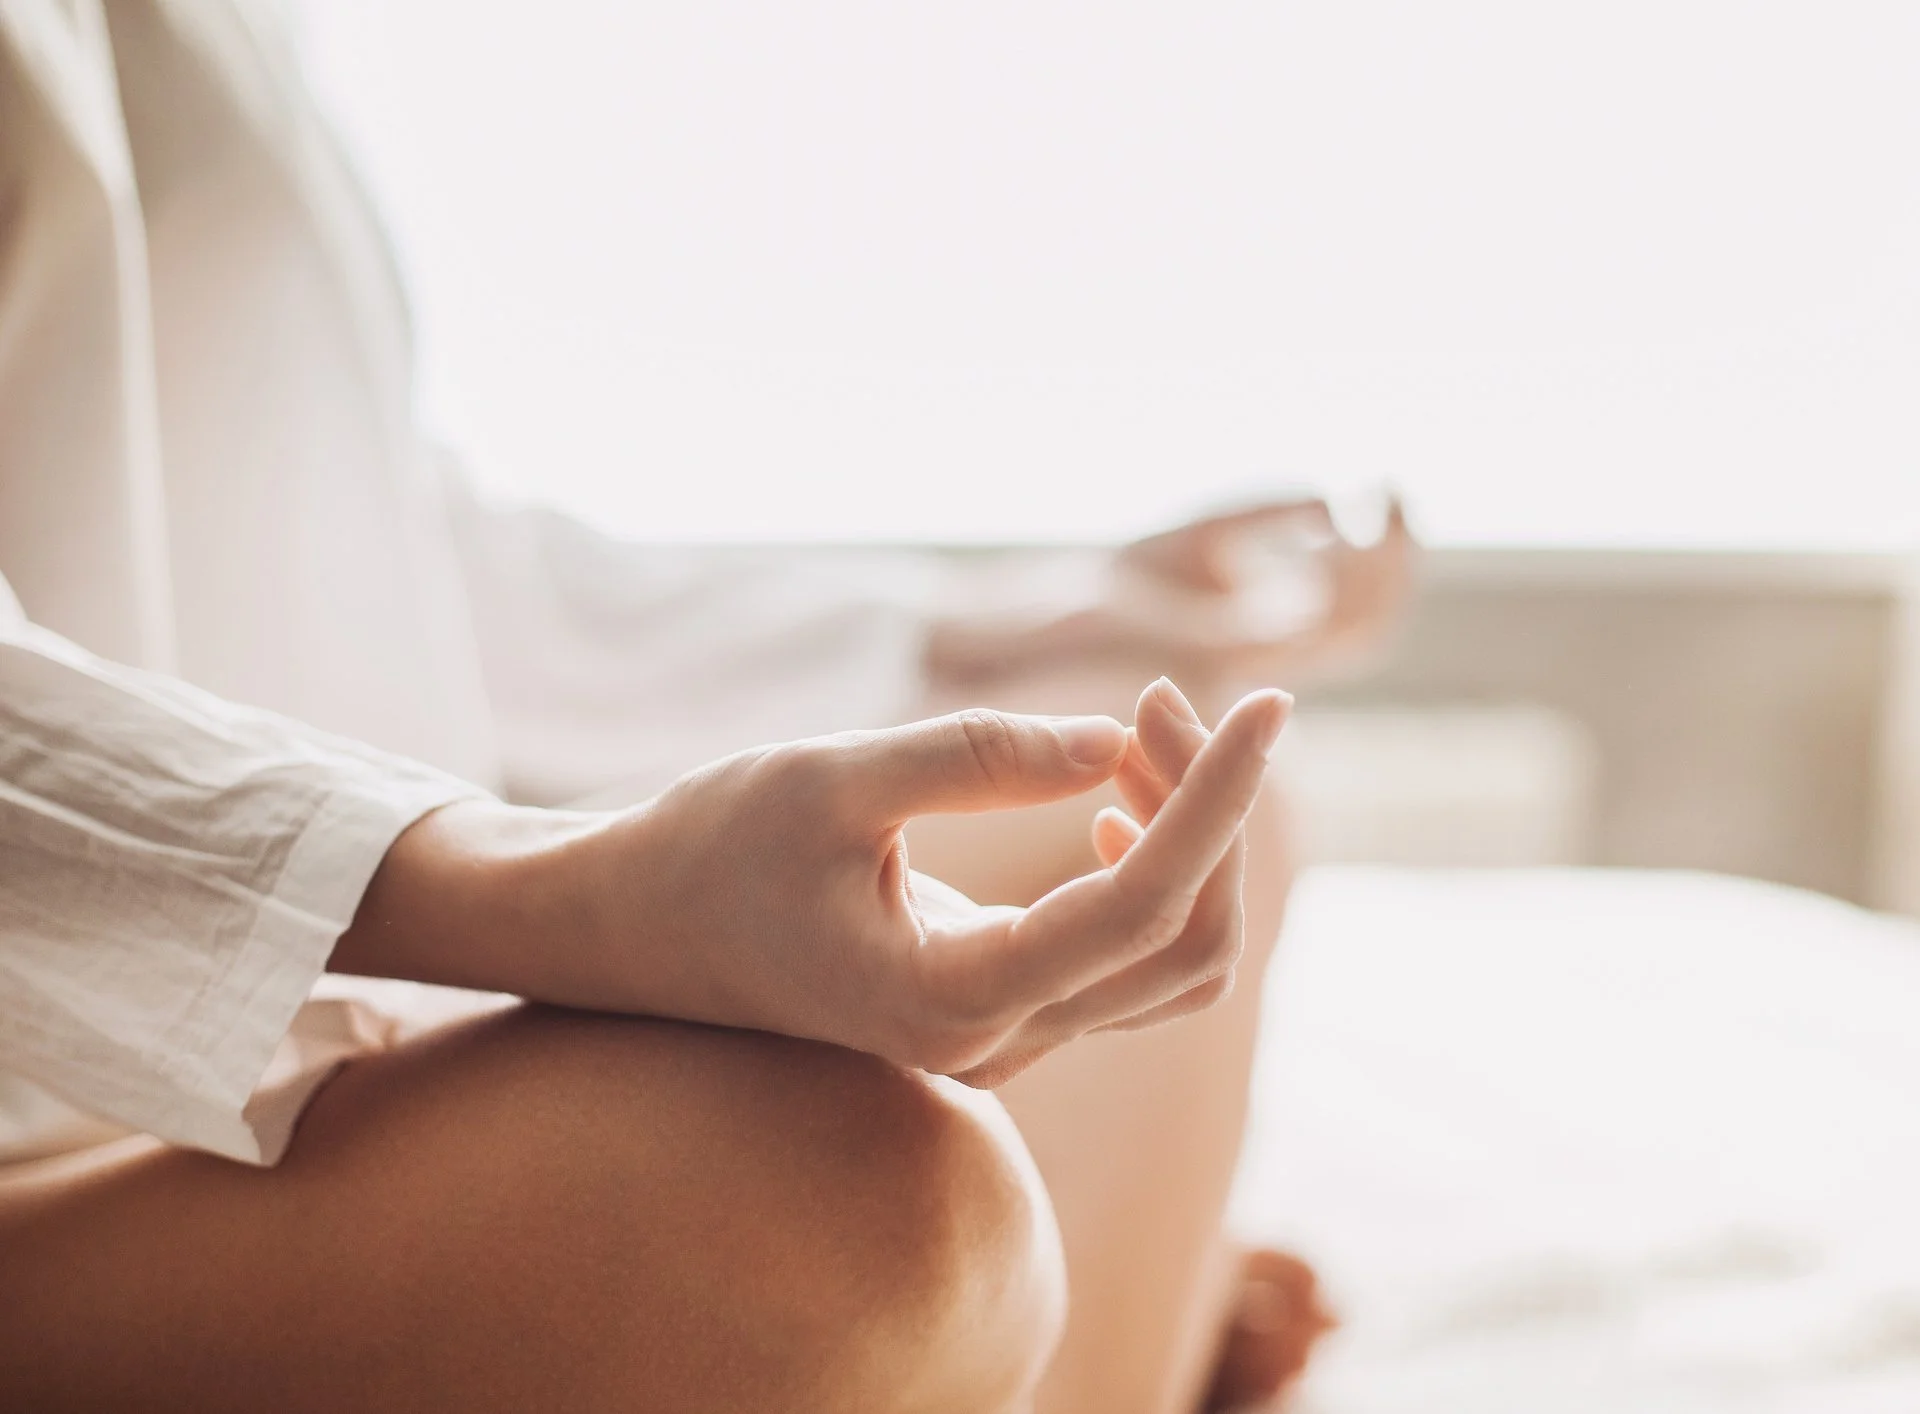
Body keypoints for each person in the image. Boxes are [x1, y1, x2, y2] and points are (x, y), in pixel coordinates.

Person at [0, 2, 1415, 1410]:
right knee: (880, 1207)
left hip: (292, 1023)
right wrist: (553, 892)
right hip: (41, 1137)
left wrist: (1005, 624)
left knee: (1141, 804)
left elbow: (367, 537)